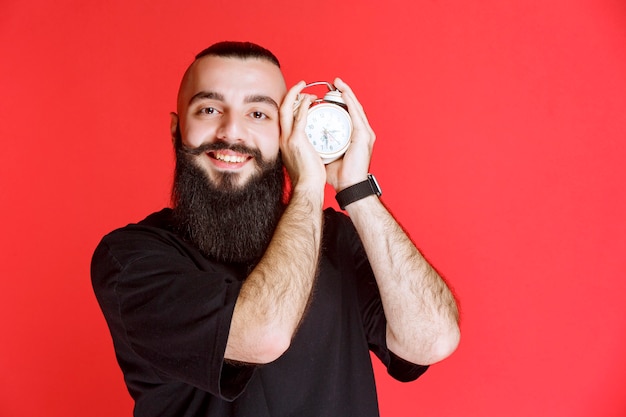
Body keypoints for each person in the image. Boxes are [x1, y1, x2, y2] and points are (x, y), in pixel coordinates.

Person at [91, 41, 460, 417]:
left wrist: (356, 189)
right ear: (176, 130)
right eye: (209, 109)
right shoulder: (131, 258)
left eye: (258, 114)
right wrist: (309, 188)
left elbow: (432, 339)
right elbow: (263, 334)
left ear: (286, 133)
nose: (231, 131)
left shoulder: (337, 238)